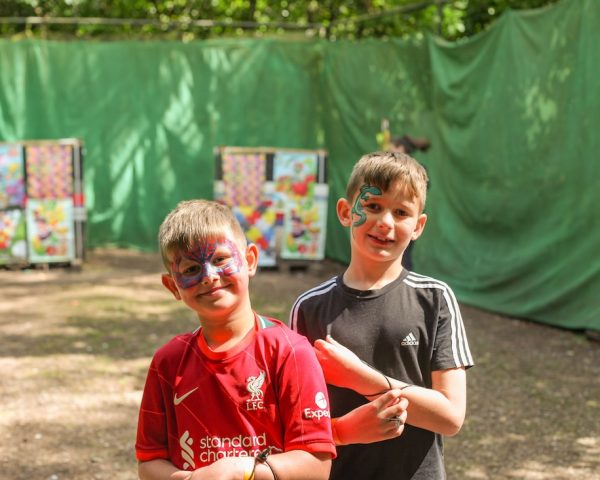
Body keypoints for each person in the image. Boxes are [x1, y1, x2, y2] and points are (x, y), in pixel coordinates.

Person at [290, 151, 474, 479]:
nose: (385, 222)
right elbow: (298, 424)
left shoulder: (436, 298)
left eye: (401, 212)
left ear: (418, 226)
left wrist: (359, 377)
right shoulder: (308, 308)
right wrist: (344, 430)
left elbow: (450, 417)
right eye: (373, 206)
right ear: (346, 212)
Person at [135, 199, 335, 480]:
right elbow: (149, 462)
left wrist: (243, 471)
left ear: (250, 260)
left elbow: (316, 466)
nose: (209, 276)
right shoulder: (167, 362)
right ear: (172, 286)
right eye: (191, 269)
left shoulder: (291, 352)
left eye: (220, 259)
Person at [390, 134, 431, 271]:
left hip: (406, 220)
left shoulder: (416, 171)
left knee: (403, 253)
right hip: (405, 219)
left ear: (400, 148)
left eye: (393, 147)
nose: (390, 151)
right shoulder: (398, 169)